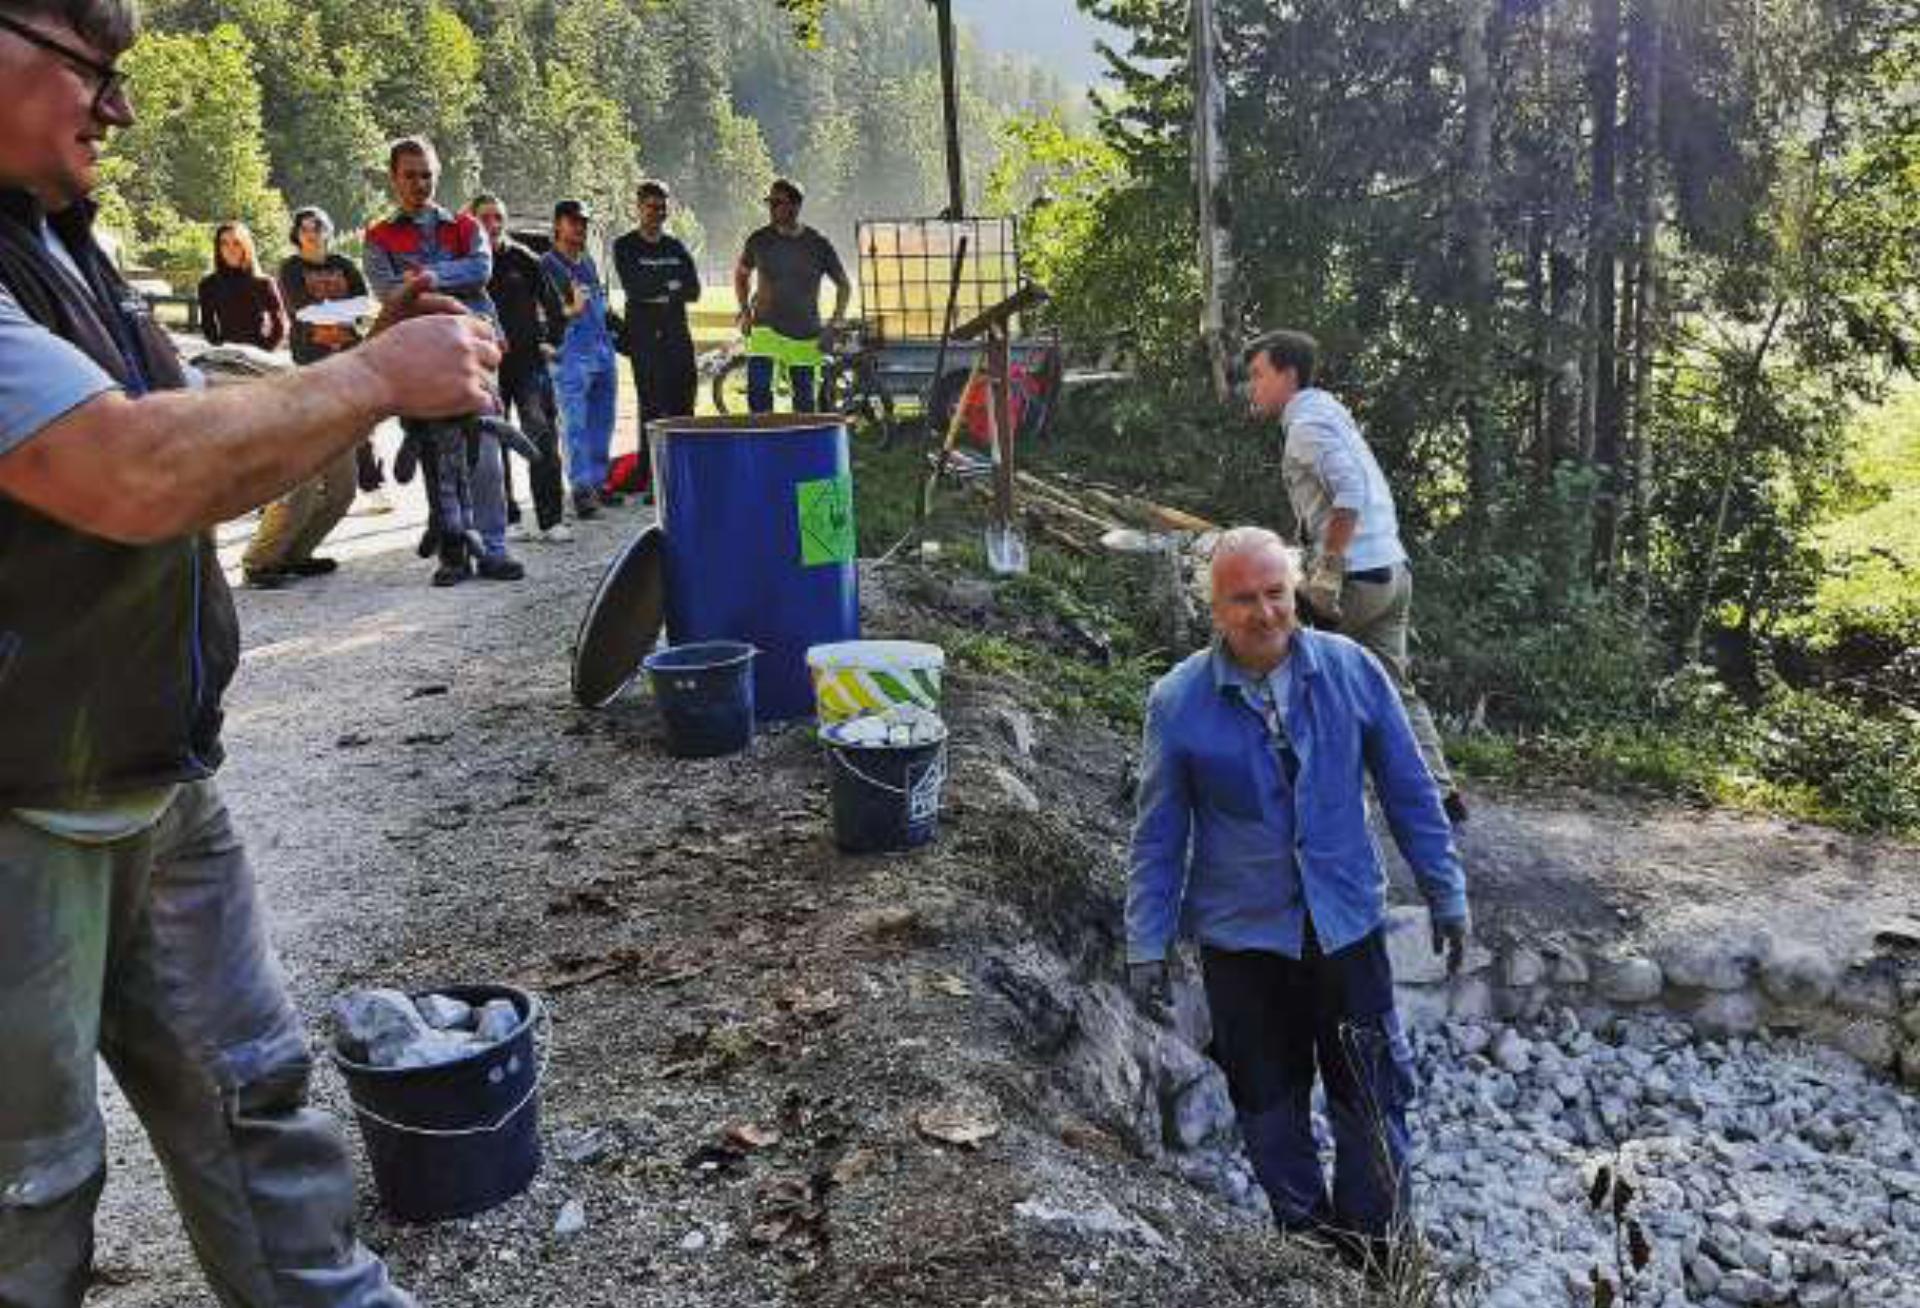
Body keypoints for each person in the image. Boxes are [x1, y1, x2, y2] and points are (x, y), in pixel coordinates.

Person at [0, 4, 498, 1302]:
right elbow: (130, 469)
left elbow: (187, 415)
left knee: (259, 1113)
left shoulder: (54, 242)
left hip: (156, 781)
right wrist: (383, 377)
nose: (114, 111)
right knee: (26, 1201)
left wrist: (356, 347)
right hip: (14, 821)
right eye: (91, 73)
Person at [1125, 527, 1468, 1271]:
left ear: (1296, 593)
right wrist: (1145, 942)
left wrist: (1447, 892)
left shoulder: (1353, 672)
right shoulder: (1179, 702)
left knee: (1372, 1092)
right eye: (1243, 599)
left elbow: (1411, 792)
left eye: (1276, 593)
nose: (1264, 613)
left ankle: (1376, 1250)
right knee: (1267, 1099)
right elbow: (1158, 837)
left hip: (1345, 924)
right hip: (1243, 940)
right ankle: (1309, 1246)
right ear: (1213, 609)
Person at [1244, 329, 1466, 823]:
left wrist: (1329, 570)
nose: (1251, 386)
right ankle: (1441, 798)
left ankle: (1305, 802)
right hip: (1392, 573)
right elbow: (1339, 497)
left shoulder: (1308, 426)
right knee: (1392, 687)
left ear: (1288, 373)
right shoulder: (1331, 417)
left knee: (1291, 674)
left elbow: (1349, 492)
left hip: (1355, 582)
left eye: (1258, 374)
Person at [364, 135, 521, 584]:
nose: (420, 183)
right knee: (436, 455)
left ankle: (494, 548)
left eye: (427, 174)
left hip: (474, 353)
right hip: (419, 358)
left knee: (486, 450)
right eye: (410, 175)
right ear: (394, 178)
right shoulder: (378, 236)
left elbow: (480, 269)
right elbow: (386, 294)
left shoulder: (466, 225)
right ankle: (454, 554)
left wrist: (426, 278)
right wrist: (441, 289)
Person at [471, 193, 570, 542]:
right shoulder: (465, 265)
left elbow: (556, 306)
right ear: (472, 222)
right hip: (484, 367)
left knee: (540, 433)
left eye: (498, 217)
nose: (493, 225)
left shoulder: (524, 258)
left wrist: (551, 341)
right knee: (492, 443)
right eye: (485, 218)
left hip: (528, 363)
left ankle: (551, 520)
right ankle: (508, 519)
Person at [732, 176, 849, 414]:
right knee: (758, 393)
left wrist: (833, 325)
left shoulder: (817, 243)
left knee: (805, 401)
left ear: (796, 206)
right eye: (770, 203)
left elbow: (844, 285)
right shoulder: (759, 239)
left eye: (778, 203)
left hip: (805, 332)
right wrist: (745, 311)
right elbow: (741, 275)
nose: (772, 208)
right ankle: (763, 445)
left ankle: (800, 448)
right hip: (764, 328)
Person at [612, 177, 699, 491]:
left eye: (662, 207)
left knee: (683, 403)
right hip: (644, 337)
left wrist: (663, 290)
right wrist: (670, 286)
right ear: (638, 208)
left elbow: (694, 289)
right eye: (651, 207)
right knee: (651, 405)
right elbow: (636, 288)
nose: (657, 213)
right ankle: (651, 477)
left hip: (677, 335)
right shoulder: (625, 246)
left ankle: (683, 472)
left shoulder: (674, 246)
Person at [541, 197, 619, 519]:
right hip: (571, 353)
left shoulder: (587, 262)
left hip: (601, 349)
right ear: (558, 225)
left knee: (603, 419)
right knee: (575, 423)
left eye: (583, 222)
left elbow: (599, 304)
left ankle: (599, 481)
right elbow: (547, 313)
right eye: (573, 222)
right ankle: (581, 488)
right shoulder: (546, 265)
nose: (580, 227)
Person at [195, 220, 285, 351]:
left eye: (236, 243)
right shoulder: (208, 284)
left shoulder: (264, 283)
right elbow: (207, 324)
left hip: (259, 356)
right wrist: (220, 347)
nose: (230, 249)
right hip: (226, 354)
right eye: (224, 243)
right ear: (218, 248)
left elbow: (279, 325)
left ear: (246, 246)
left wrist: (266, 350)